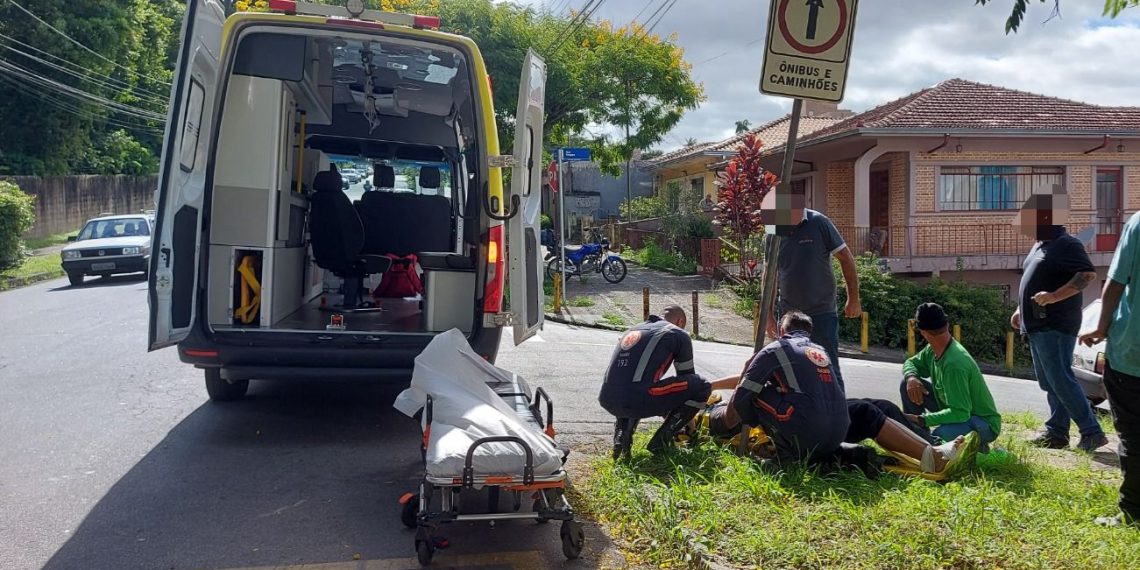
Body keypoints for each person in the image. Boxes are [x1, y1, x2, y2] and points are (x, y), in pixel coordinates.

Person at [1010, 192, 1107, 453]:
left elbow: (1087, 275)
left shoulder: (1067, 244)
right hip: (1038, 325)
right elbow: (1039, 278)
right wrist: (1021, 308)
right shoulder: (1041, 245)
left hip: (1056, 324)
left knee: (1061, 379)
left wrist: (1054, 297)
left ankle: (1092, 432)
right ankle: (1057, 433)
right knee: (1051, 381)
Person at [709, 311, 850, 463]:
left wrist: (753, 423)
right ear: (809, 332)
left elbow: (743, 396)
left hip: (807, 430)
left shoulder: (776, 348)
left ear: (782, 331)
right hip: (838, 432)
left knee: (756, 392)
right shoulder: (820, 351)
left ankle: (784, 459)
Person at [766, 184, 861, 391]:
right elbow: (770, 275)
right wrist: (768, 315)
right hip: (789, 315)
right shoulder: (773, 232)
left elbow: (846, 258)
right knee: (791, 370)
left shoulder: (819, 223)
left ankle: (838, 418)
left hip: (821, 313)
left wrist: (853, 299)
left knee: (827, 367)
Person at [1080, 210, 1140, 528]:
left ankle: (1133, 512)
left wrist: (1100, 328)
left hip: (1132, 353)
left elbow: (1115, 284)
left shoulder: (1139, 223)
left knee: (1133, 435)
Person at [600, 305, 712, 458]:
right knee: (702, 385)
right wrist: (690, 426)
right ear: (680, 321)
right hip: (637, 398)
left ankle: (621, 439)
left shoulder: (632, 330)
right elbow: (688, 382)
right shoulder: (678, 333)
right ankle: (661, 442)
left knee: (635, 384)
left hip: (608, 398)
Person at [900, 303, 1002, 450]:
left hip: (982, 423)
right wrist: (911, 377)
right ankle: (916, 435)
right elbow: (911, 363)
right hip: (956, 409)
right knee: (907, 385)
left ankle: (980, 448)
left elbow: (961, 413)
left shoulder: (954, 364)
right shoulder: (932, 350)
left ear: (922, 331)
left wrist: (922, 420)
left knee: (937, 437)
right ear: (947, 324)